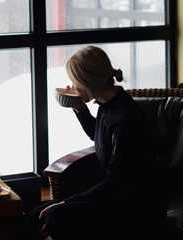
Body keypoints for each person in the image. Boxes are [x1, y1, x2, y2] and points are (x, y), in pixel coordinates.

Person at [13, 46, 167, 240]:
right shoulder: (109, 103)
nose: (72, 86)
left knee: (54, 216)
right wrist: (79, 107)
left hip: (137, 206)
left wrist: (65, 203)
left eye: (75, 81)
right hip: (118, 196)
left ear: (88, 81)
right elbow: (99, 135)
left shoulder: (125, 118)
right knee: (38, 213)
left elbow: (115, 182)